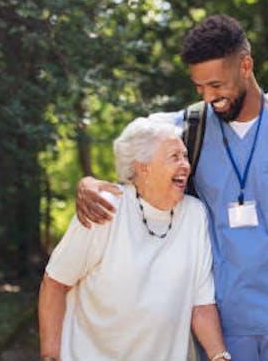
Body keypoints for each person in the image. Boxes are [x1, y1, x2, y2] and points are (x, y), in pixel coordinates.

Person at [76, 14, 268, 361]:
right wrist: (88, 183)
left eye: (217, 85)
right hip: (219, 320)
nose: (209, 97)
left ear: (246, 66)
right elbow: (133, 152)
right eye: (200, 87)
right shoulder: (188, 129)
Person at [38, 117, 232, 361]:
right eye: (175, 157)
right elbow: (55, 282)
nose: (186, 165)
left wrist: (219, 356)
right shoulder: (104, 209)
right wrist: (49, 356)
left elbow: (201, 304)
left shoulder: (194, 214)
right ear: (143, 167)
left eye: (185, 156)